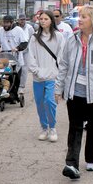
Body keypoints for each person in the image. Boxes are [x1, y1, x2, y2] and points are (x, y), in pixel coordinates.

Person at [55, 6, 93, 179]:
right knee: (74, 127)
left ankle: (91, 158)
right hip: (75, 91)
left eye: (84, 17)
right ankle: (71, 164)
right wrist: (59, 88)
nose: (79, 20)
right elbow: (64, 65)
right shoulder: (72, 39)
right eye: (79, 17)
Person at [25, 9, 64, 142]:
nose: (42, 21)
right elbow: (31, 56)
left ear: (51, 20)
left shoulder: (59, 37)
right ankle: (44, 127)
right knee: (40, 103)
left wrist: (57, 71)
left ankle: (52, 127)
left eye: (46, 19)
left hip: (52, 76)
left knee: (50, 101)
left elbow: (62, 55)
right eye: (41, 19)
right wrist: (36, 70)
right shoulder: (35, 38)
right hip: (38, 77)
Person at [0, 15, 29, 92]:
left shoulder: (18, 30)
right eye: (4, 23)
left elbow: (24, 43)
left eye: (7, 23)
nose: (5, 25)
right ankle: (3, 91)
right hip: (4, 57)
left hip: (16, 58)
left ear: (12, 22)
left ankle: (14, 93)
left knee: (15, 76)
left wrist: (17, 48)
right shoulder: (1, 30)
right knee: (2, 76)